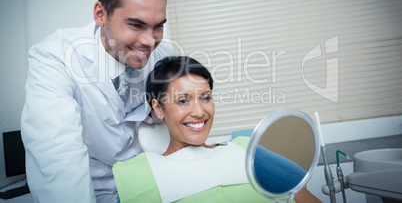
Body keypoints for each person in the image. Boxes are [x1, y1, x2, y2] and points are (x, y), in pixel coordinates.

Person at [20, 0, 173, 203]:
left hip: (151, 182)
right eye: (136, 24)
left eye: (158, 26)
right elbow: (59, 155)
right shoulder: (54, 57)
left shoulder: (163, 54)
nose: (150, 41)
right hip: (93, 191)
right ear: (101, 14)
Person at [112, 56, 320, 203]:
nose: (199, 111)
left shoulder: (245, 151)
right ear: (159, 108)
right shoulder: (139, 175)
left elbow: (300, 193)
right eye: (183, 101)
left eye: (206, 98)